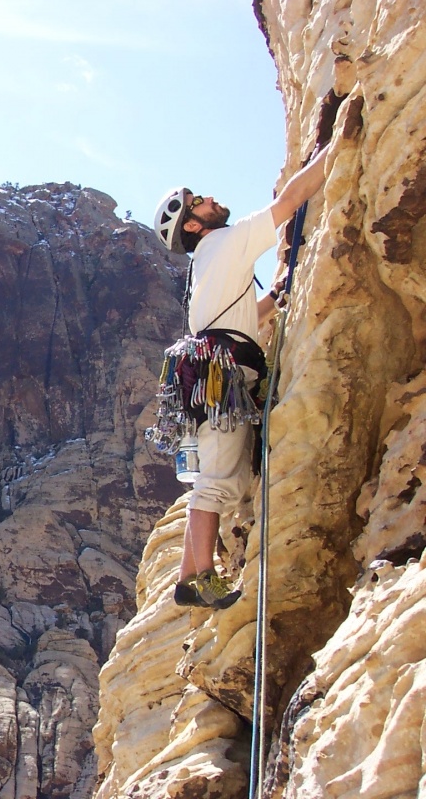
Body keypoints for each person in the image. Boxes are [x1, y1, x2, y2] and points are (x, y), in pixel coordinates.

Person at [152, 143, 331, 609]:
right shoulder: (225, 242)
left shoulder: (205, 262)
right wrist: (333, 152)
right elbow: (289, 202)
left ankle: (193, 576)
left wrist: (274, 298)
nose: (209, 200)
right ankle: (199, 578)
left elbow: (237, 318)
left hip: (213, 373)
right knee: (216, 482)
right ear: (193, 225)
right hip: (223, 376)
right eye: (199, 204)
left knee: (216, 479)